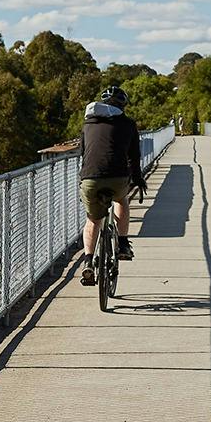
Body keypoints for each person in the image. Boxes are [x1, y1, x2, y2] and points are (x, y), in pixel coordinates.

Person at [78, 85, 141, 286]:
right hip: (118, 177)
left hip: (91, 177)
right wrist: (138, 179)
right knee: (121, 199)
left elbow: (83, 152)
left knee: (93, 219)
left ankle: (88, 261)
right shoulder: (128, 124)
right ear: (123, 106)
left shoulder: (88, 124)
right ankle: (122, 244)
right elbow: (134, 157)